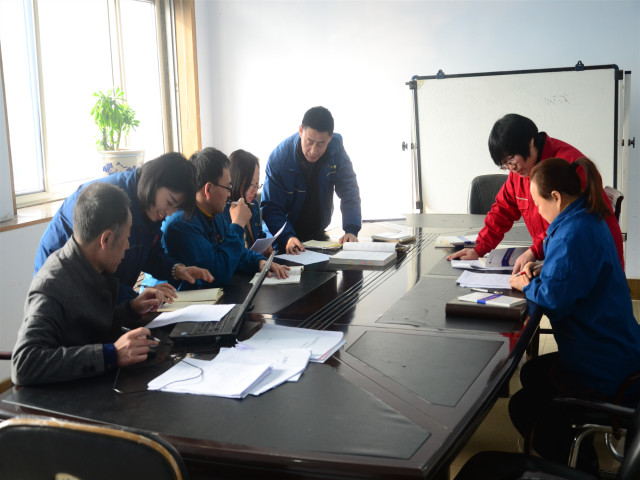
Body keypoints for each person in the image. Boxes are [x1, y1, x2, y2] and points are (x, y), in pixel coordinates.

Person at [508, 157, 640, 473]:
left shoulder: (571, 234)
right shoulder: (587, 217)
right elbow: (573, 271)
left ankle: (580, 468)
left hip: (604, 370)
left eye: (538, 204)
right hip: (621, 352)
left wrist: (527, 284)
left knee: (522, 406)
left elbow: (554, 300)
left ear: (556, 197)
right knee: (531, 374)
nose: (537, 211)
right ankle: (575, 444)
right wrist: (545, 268)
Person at [12, 183, 168, 386]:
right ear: (106, 239)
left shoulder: (91, 265)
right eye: (127, 237)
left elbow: (92, 329)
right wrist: (112, 354)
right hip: (60, 399)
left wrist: (131, 309)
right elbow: (24, 363)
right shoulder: (52, 285)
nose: (128, 246)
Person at [448, 113, 624, 273]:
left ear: (530, 142)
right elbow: (502, 211)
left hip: (591, 259)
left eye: (511, 158)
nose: (511, 167)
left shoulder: (565, 167)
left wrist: (535, 250)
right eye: (504, 164)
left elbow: (571, 225)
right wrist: (479, 249)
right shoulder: (519, 172)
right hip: (558, 256)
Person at [34, 153, 213, 304]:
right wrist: (135, 299)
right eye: (170, 202)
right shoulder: (112, 203)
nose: (169, 212)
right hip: (65, 288)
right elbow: (96, 278)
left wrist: (177, 270)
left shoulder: (149, 206)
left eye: (176, 208)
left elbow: (149, 252)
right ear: (155, 182)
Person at [162, 147, 289, 289]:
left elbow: (233, 254)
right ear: (208, 189)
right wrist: (238, 225)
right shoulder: (181, 225)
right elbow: (217, 275)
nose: (229, 194)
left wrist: (259, 262)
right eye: (228, 187)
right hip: (179, 299)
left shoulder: (212, 212)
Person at [261, 106, 362, 254]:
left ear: (330, 138)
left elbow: (349, 191)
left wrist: (351, 230)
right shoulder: (279, 159)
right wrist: (287, 237)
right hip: (284, 237)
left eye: (321, 144)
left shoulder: (336, 150)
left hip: (317, 234)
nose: (314, 151)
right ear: (300, 131)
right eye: (309, 141)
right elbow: (271, 208)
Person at [223, 149, 269, 252]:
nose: (255, 190)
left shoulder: (253, 204)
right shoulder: (222, 210)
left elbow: (259, 236)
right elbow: (229, 250)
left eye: (257, 184)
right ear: (236, 181)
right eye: (251, 184)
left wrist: (266, 246)